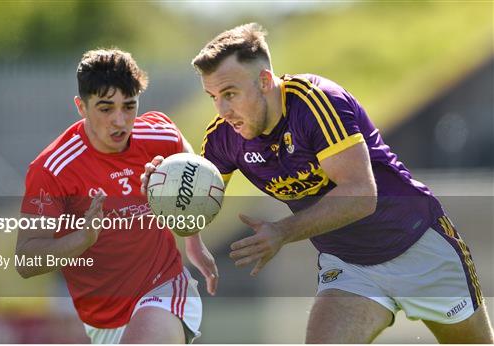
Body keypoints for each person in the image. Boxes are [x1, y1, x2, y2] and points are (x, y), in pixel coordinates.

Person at [141, 23, 493, 343]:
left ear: (265, 81)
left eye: (230, 93)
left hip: (418, 243)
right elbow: (196, 197)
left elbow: (360, 195)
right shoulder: (225, 137)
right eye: (213, 97)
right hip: (351, 266)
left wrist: (282, 232)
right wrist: (164, 193)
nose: (222, 110)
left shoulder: (316, 102)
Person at [17, 48, 218, 344]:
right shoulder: (52, 170)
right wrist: (81, 239)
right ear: (81, 107)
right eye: (106, 108)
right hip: (101, 320)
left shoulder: (160, 137)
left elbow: (191, 172)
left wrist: (193, 239)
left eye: (129, 106)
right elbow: (26, 260)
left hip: (163, 287)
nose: (120, 121)